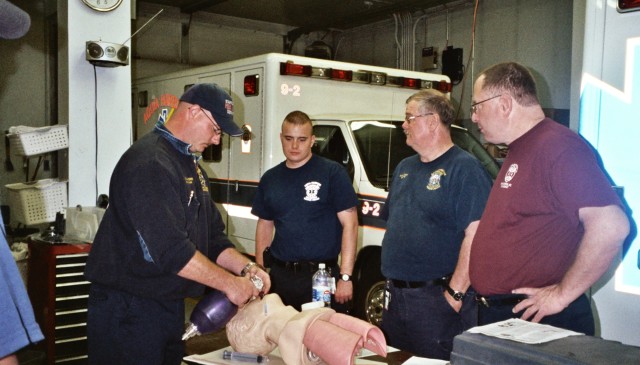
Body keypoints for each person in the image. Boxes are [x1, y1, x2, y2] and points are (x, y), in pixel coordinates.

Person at [84, 83, 271, 365]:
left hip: (165, 305)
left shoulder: (191, 166)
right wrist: (231, 284)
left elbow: (214, 239)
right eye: (216, 129)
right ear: (194, 112)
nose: (217, 141)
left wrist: (247, 267)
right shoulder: (150, 163)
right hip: (127, 307)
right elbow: (172, 251)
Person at [468, 62, 630, 335]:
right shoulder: (523, 147)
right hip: (510, 319)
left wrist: (561, 295)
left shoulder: (558, 146)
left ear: (505, 104)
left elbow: (611, 227)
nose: (473, 117)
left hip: (535, 324)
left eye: (476, 106)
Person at [379, 90, 493, 360]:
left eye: (409, 118)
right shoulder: (404, 168)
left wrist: (454, 295)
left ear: (432, 121)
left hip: (436, 300)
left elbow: (476, 236)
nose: (403, 125)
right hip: (396, 299)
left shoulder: (465, 169)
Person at [251, 110, 358, 312]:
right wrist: (259, 271)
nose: (294, 146)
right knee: (281, 337)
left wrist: (345, 277)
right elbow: (264, 224)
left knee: (320, 339)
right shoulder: (270, 179)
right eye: (289, 138)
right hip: (281, 277)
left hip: (321, 277)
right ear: (281, 138)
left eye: (301, 139)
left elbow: (350, 224)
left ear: (312, 140)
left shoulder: (332, 173)